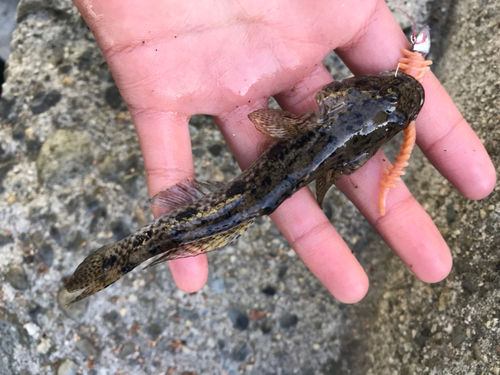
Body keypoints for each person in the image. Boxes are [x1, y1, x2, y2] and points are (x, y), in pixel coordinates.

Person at [72, 0, 496, 303]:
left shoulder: (313, 125)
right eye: (386, 90)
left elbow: (264, 121)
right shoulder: (338, 155)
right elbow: (269, 125)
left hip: (241, 202)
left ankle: (113, 265)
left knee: (187, 224)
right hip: (247, 201)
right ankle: (113, 265)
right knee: (190, 223)